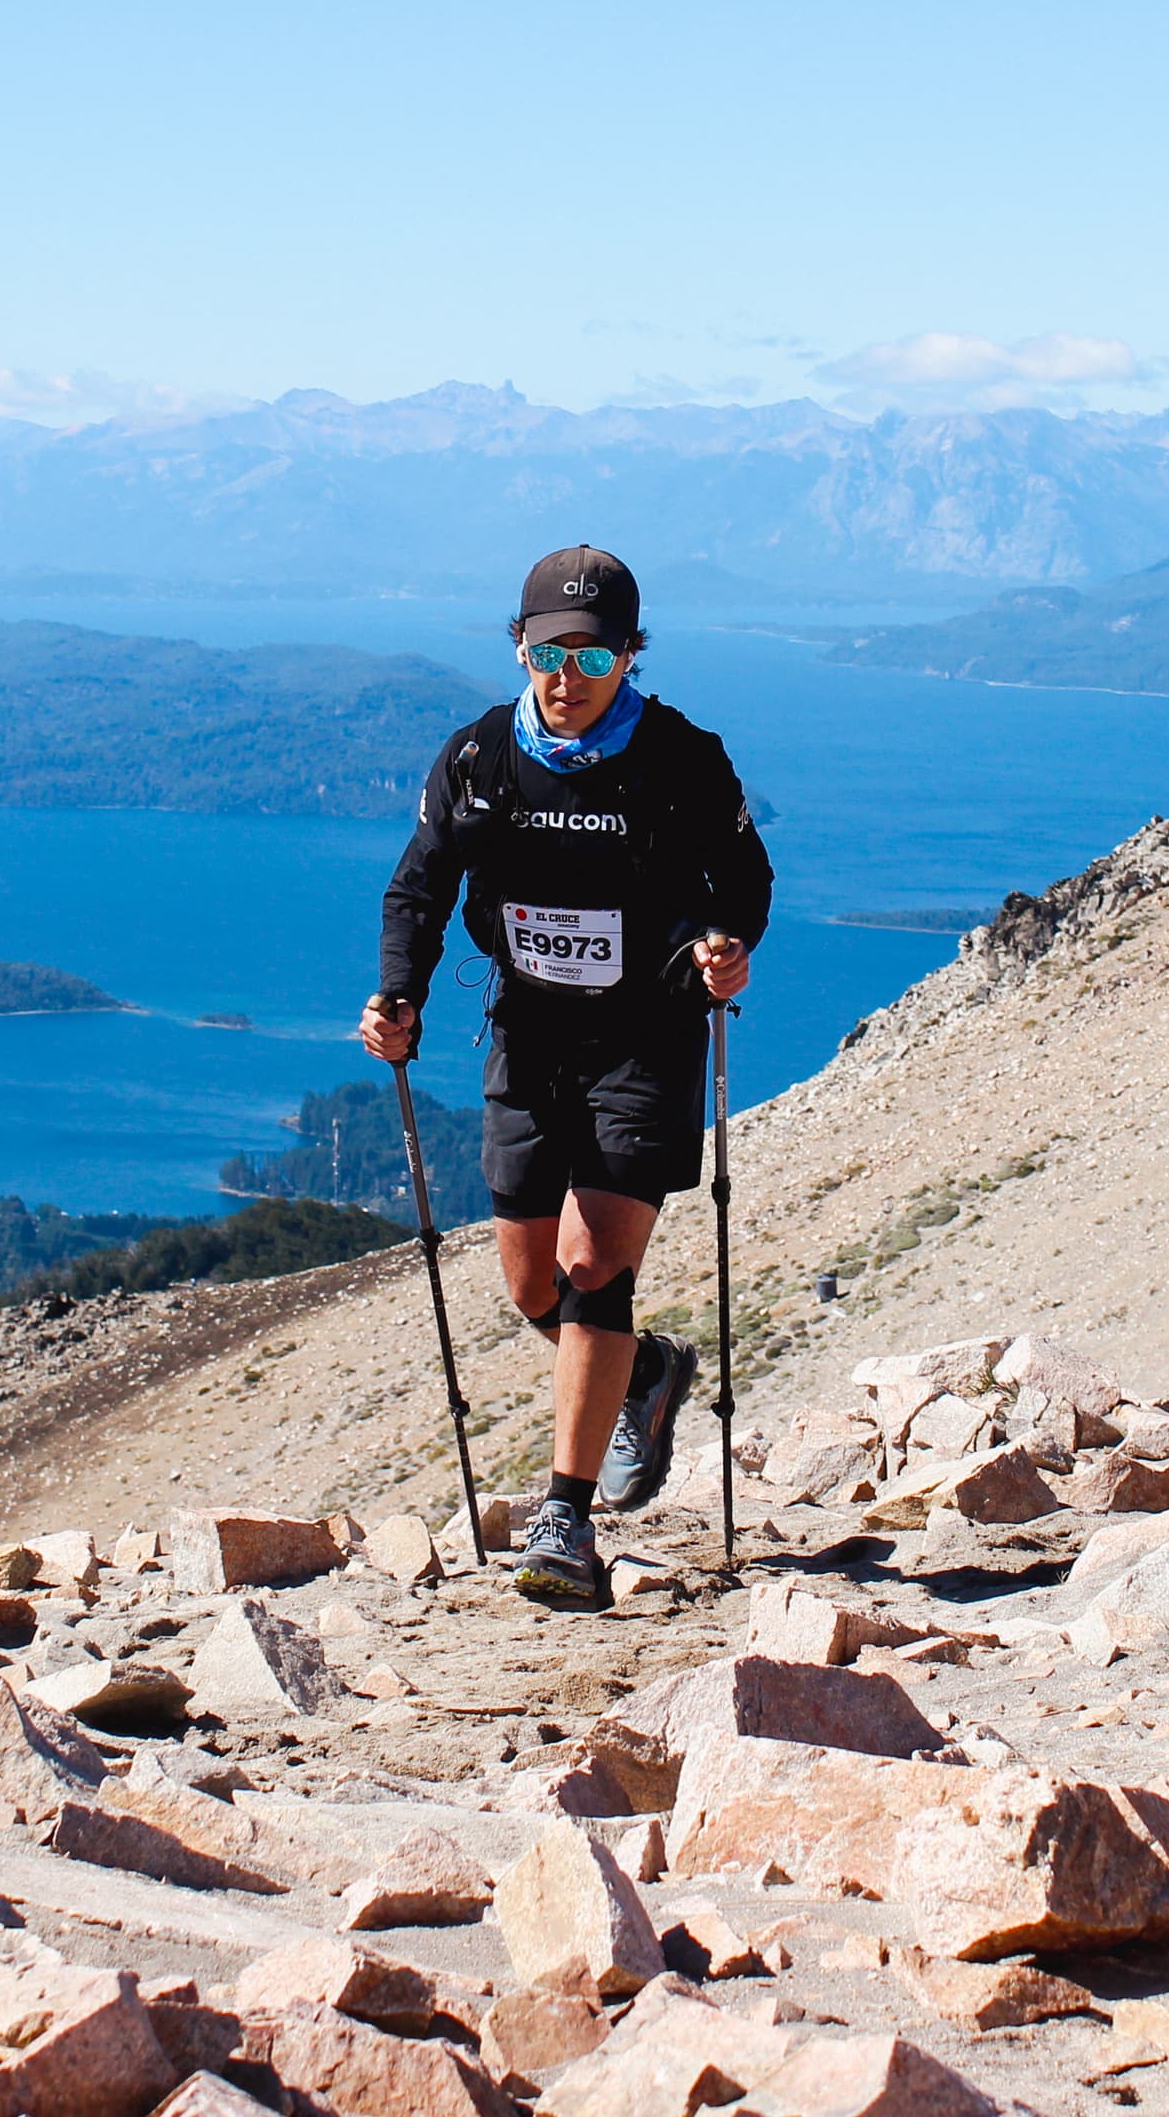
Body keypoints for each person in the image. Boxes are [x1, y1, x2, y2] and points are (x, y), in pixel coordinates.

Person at [361, 547, 771, 1609]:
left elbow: (746, 876)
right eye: (549, 651)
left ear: (629, 655)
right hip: (529, 1036)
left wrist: (727, 943)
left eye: (593, 654)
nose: (568, 675)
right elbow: (421, 885)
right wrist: (399, 995)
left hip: (650, 1035)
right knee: (530, 1284)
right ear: (521, 646)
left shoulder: (682, 759)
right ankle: (640, 1373)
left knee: (595, 1264)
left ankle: (565, 1518)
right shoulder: (477, 760)